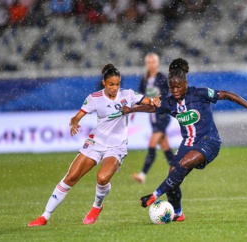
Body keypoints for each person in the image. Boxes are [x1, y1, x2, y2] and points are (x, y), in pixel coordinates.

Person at [121, 58, 247, 221]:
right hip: (188, 143)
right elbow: (152, 107)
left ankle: (154, 195)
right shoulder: (170, 102)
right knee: (172, 172)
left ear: (186, 84)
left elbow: (226, 94)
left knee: (183, 164)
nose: (175, 90)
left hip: (209, 142)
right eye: (172, 87)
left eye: (179, 86)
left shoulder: (200, 94)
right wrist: (131, 109)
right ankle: (178, 213)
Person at [28, 64, 161, 226]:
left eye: (117, 84)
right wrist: (74, 123)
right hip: (95, 143)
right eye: (111, 84)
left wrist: (140, 106)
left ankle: (96, 207)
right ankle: (44, 217)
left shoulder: (128, 94)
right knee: (71, 177)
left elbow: (151, 106)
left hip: (116, 146)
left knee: (102, 178)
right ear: (104, 83)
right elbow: (76, 117)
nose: (114, 88)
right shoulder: (94, 98)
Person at [132, 53, 174, 184]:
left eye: (153, 62)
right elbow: (139, 96)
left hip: (162, 115)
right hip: (153, 116)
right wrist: (134, 108)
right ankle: (178, 169)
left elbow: (168, 95)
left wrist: (159, 102)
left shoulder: (162, 78)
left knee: (152, 143)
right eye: (149, 62)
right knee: (165, 145)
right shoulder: (144, 80)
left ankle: (143, 174)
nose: (151, 64)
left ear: (157, 63)